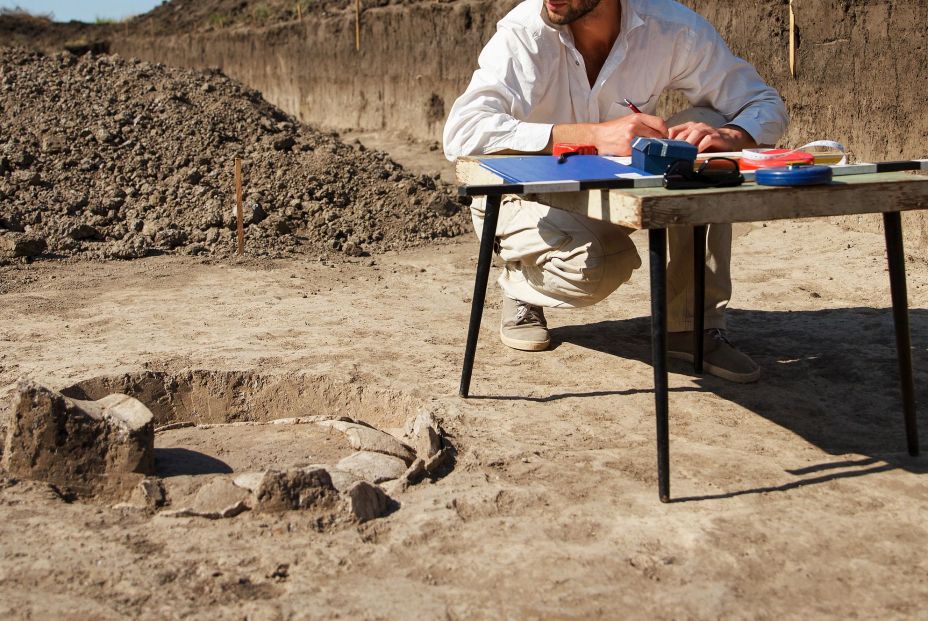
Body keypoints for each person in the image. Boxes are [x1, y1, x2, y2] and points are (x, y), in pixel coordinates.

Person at [443, 0, 788, 383]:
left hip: (611, 185)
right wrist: (591, 135)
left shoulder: (671, 28)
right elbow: (462, 133)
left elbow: (763, 102)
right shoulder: (525, 32)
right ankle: (523, 283)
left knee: (707, 128)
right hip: (526, 192)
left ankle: (691, 323)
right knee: (600, 265)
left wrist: (731, 135)